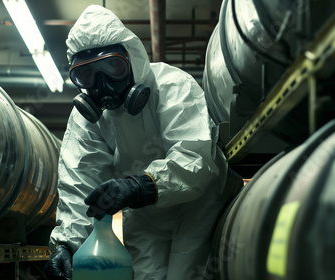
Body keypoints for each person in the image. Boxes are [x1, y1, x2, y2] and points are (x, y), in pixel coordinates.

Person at [45, 5, 236, 280]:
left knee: (188, 275)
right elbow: (79, 182)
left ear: (132, 59)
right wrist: (65, 244)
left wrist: (139, 186)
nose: (103, 84)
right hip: (145, 216)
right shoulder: (88, 119)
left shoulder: (171, 86)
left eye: (112, 67)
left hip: (197, 207)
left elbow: (195, 159)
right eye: (87, 75)